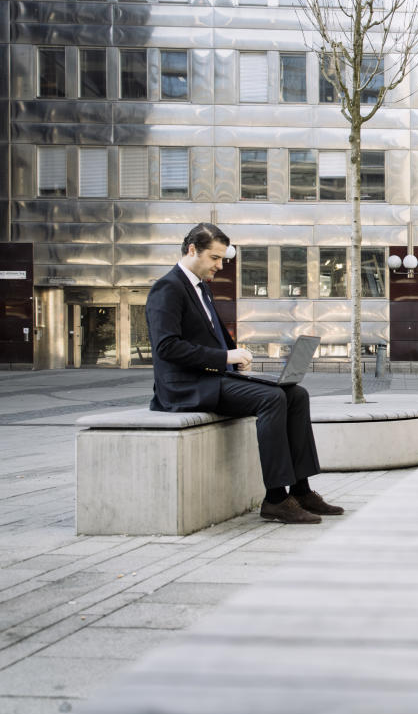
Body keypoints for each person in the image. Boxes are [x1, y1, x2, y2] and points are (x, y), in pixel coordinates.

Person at [146, 223, 344, 525]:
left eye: (222, 259)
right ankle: (276, 498)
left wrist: (236, 357)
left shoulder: (201, 288)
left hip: (213, 378)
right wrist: (224, 356)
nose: (220, 265)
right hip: (184, 387)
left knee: (296, 394)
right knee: (273, 398)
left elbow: (210, 337)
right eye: (215, 258)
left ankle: (301, 490)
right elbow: (167, 347)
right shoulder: (168, 288)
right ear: (191, 250)